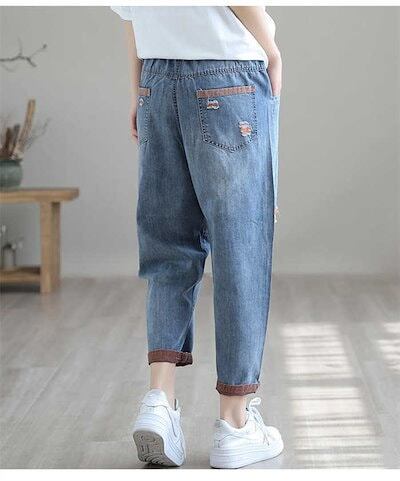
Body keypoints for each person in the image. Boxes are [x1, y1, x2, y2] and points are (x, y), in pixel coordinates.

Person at [111, 5, 283, 469]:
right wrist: (271, 48)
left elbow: (128, 15)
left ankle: (158, 400)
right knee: (240, 250)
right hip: (228, 76)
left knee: (168, 248)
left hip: (156, 81)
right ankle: (235, 423)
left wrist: (139, 91)